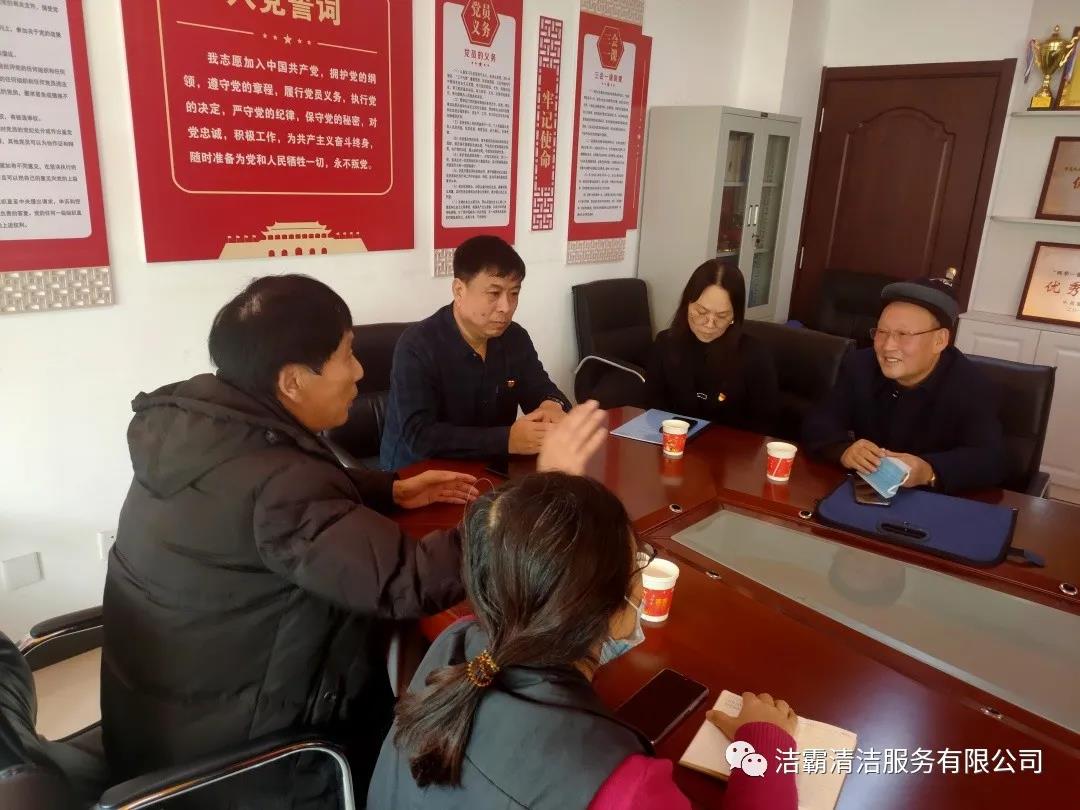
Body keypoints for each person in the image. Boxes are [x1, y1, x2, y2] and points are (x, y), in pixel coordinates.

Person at [100, 274, 600, 809]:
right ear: (293, 381)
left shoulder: (202, 429)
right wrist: (547, 488)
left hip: (158, 720)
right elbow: (412, 581)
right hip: (245, 758)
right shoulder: (279, 488)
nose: (360, 372)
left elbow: (277, 490)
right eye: (347, 355)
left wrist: (390, 489)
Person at [368, 472, 799, 810]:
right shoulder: (624, 788)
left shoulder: (457, 640)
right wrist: (766, 745)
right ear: (600, 609)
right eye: (637, 564)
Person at [379, 235, 571, 470]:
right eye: (494, 294)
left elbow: (543, 389)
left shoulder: (515, 338)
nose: (506, 307)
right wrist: (507, 440)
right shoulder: (417, 346)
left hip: (491, 470)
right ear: (459, 290)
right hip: (419, 475)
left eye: (514, 293)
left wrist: (552, 406)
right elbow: (420, 436)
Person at [803, 278, 1007, 493]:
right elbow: (819, 420)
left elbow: (991, 460)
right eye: (882, 332)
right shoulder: (860, 365)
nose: (888, 346)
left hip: (933, 500)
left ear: (939, 340)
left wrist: (929, 471)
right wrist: (844, 450)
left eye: (903, 335)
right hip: (866, 491)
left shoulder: (973, 386)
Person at [645, 259, 779, 433]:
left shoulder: (755, 356)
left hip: (730, 448)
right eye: (701, 312)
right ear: (687, 304)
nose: (709, 324)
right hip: (673, 444)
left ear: (735, 316)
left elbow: (765, 426)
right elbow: (652, 410)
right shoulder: (665, 343)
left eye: (722, 316)